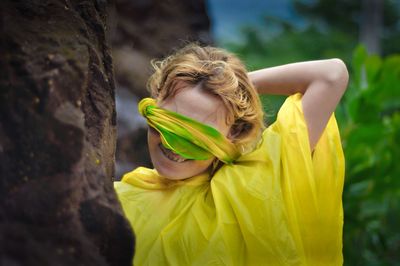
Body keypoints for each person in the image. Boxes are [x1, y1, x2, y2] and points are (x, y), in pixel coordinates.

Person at [114, 43, 348, 265]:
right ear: (154, 105)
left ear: (234, 132)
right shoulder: (119, 194)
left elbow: (331, 75)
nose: (173, 146)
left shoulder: (251, 188)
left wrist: (230, 86)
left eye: (197, 138)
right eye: (168, 125)